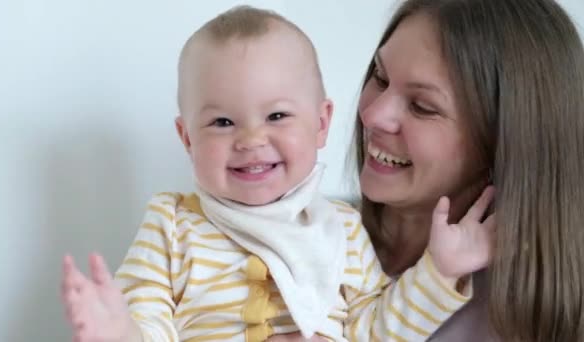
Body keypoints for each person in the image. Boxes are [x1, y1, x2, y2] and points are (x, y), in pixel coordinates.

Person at [60, 5, 494, 342]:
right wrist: (120, 332)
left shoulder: (341, 229)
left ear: (321, 123)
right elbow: (149, 318)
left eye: (277, 115)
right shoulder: (171, 224)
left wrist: (438, 272)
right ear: (187, 137)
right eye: (222, 123)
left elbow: (377, 330)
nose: (251, 139)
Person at [346, 0, 584, 341]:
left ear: (505, 143)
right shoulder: (306, 237)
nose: (372, 115)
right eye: (380, 78)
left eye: (422, 107)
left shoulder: (530, 321)